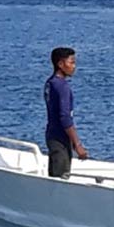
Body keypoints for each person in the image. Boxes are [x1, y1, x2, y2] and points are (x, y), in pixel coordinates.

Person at [44, 46, 88, 178]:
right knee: (60, 177)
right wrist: (77, 144)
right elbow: (65, 118)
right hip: (60, 139)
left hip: (52, 135)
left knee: (55, 174)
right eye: (71, 62)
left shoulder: (50, 83)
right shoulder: (62, 87)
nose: (74, 66)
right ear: (60, 64)